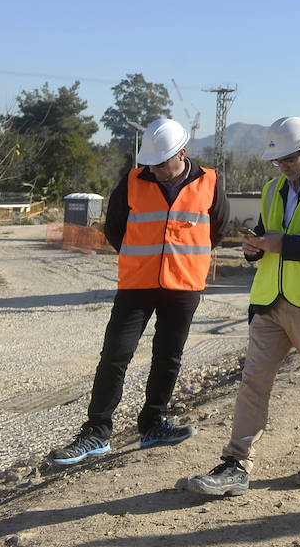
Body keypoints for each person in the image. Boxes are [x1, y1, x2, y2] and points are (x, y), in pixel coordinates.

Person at [187, 116, 300, 496]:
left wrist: (284, 244)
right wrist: (253, 249)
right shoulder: (273, 189)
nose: (280, 166)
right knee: (253, 382)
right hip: (270, 302)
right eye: (276, 161)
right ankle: (236, 463)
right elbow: (268, 238)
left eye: (287, 159)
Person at [49, 118, 229, 465]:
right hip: (136, 285)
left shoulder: (209, 182)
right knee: (116, 354)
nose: (157, 170)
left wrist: (187, 261)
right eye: (151, 163)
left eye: (163, 163)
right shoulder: (132, 182)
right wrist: (141, 260)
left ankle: (153, 423)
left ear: (182, 153)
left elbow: (216, 232)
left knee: (168, 356)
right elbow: (114, 229)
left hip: (183, 286)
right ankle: (96, 432)